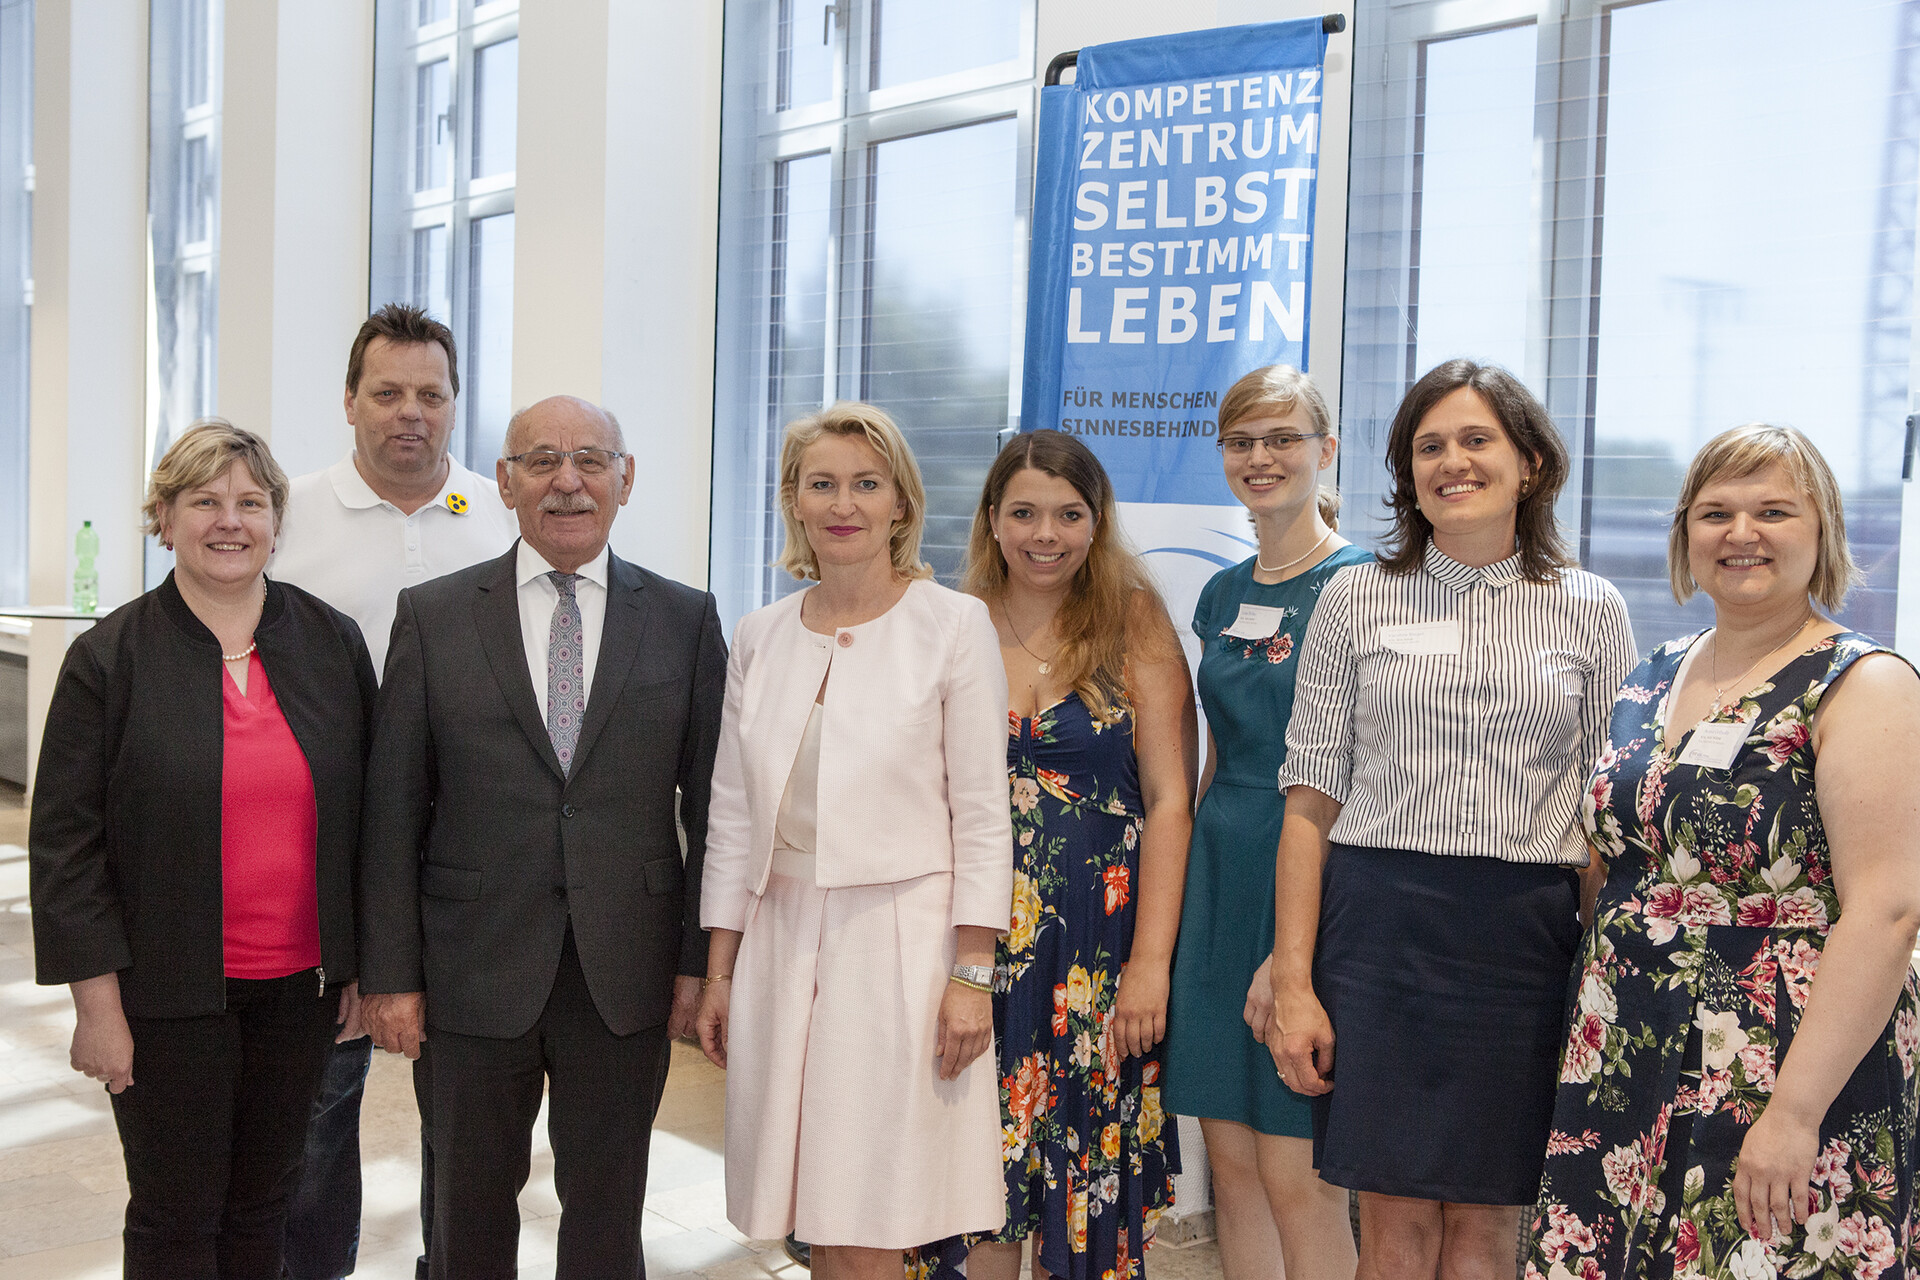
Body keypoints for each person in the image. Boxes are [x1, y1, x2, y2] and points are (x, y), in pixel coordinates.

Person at [1267, 359, 1636, 1280]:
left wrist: (1605, 977)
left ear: (1533, 464)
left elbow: (1606, 815)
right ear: (1406, 472)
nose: (1452, 462)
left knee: (1485, 1227)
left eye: (1477, 440)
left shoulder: (1592, 610)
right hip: (1380, 930)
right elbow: (1310, 801)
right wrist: (1291, 975)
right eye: (1429, 446)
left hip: (1526, 942)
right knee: (1391, 1228)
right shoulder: (1353, 596)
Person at [1528, 424, 1920, 1280]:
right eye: (1715, 513)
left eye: (1773, 511)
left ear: (1822, 532)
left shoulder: (1865, 682)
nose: (1741, 534)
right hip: (1626, 1046)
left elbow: (1887, 914)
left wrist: (1793, 1113)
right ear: (1684, 535)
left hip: (1785, 1055)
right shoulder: (1653, 672)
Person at [357, 395, 726, 1280]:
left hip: (624, 975)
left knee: (607, 1213)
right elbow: (393, 811)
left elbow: (714, 814)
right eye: (543, 461)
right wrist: (392, 977)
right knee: (467, 1212)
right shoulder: (435, 615)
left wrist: (694, 964)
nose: (568, 481)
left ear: (626, 480)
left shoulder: (685, 619)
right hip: (469, 971)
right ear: (506, 481)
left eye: (592, 460)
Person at [29, 420, 378, 1278]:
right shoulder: (109, 659)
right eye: (205, 501)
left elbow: (374, 818)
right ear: (164, 517)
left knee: (268, 1206)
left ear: (276, 519)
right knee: (176, 1217)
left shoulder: (331, 643)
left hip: (302, 992)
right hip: (165, 996)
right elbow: (65, 849)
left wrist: (366, 966)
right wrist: (96, 1007)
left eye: (251, 502)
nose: (231, 521)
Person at [695, 401, 1013, 1277]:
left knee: (870, 1207)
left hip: (902, 948)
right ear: (794, 502)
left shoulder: (952, 626)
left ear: (901, 504)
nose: (845, 503)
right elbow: (731, 817)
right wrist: (719, 970)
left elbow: (984, 816)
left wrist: (971, 977)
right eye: (822, 484)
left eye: (866, 485)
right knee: (812, 1213)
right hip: (781, 940)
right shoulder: (760, 634)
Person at [271, 302, 516, 1280]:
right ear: (348, 401)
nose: (409, 412)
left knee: (466, 1111)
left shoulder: (503, 517)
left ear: (456, 406)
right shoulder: (287, 516)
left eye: (431, 393)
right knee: (316, 1108)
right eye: (388, 392)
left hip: (468, 861)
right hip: (321, 860)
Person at [914, 429, 1195, 1280]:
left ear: (1097, 520)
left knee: (1087, 1179)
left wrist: (1151, 964)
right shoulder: (950, 622)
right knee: (978, 1180)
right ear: (992, 521)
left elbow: (1170, 801)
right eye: (1025, 512)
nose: (1047, 534)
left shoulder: (1133, 618)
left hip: (1098, 949)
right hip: (975, 942)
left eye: (1069, 514)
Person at [1160, 366, 1366, 1280]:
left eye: (1282, 438)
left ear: (1324, 452)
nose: (1261, 457)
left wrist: (1295, 954)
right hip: (1219, 870)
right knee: (1231, 1166)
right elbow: (1213, 758)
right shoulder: (1220, 592)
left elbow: (1368, 777)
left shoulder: (1363, 586)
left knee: (1298, 1175)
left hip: (1310, 874)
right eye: (1241, 441)